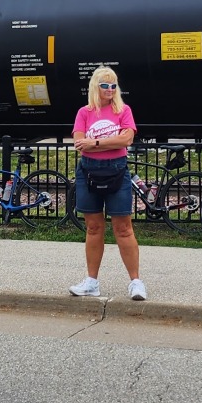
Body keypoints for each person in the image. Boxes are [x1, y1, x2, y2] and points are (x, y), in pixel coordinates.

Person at [68, 65, 145, 300]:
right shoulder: (84, 112)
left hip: (117, 170)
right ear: (95, 86)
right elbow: (79, 143)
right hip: (88, 171)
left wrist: (96, 143)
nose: (110, 89)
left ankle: (136, 282)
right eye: (105, 85)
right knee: (93, 227)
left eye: (113, 85)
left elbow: (127, 139)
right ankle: (91, 282)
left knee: (123, 228)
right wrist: (111, 141)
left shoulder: (123, 110)